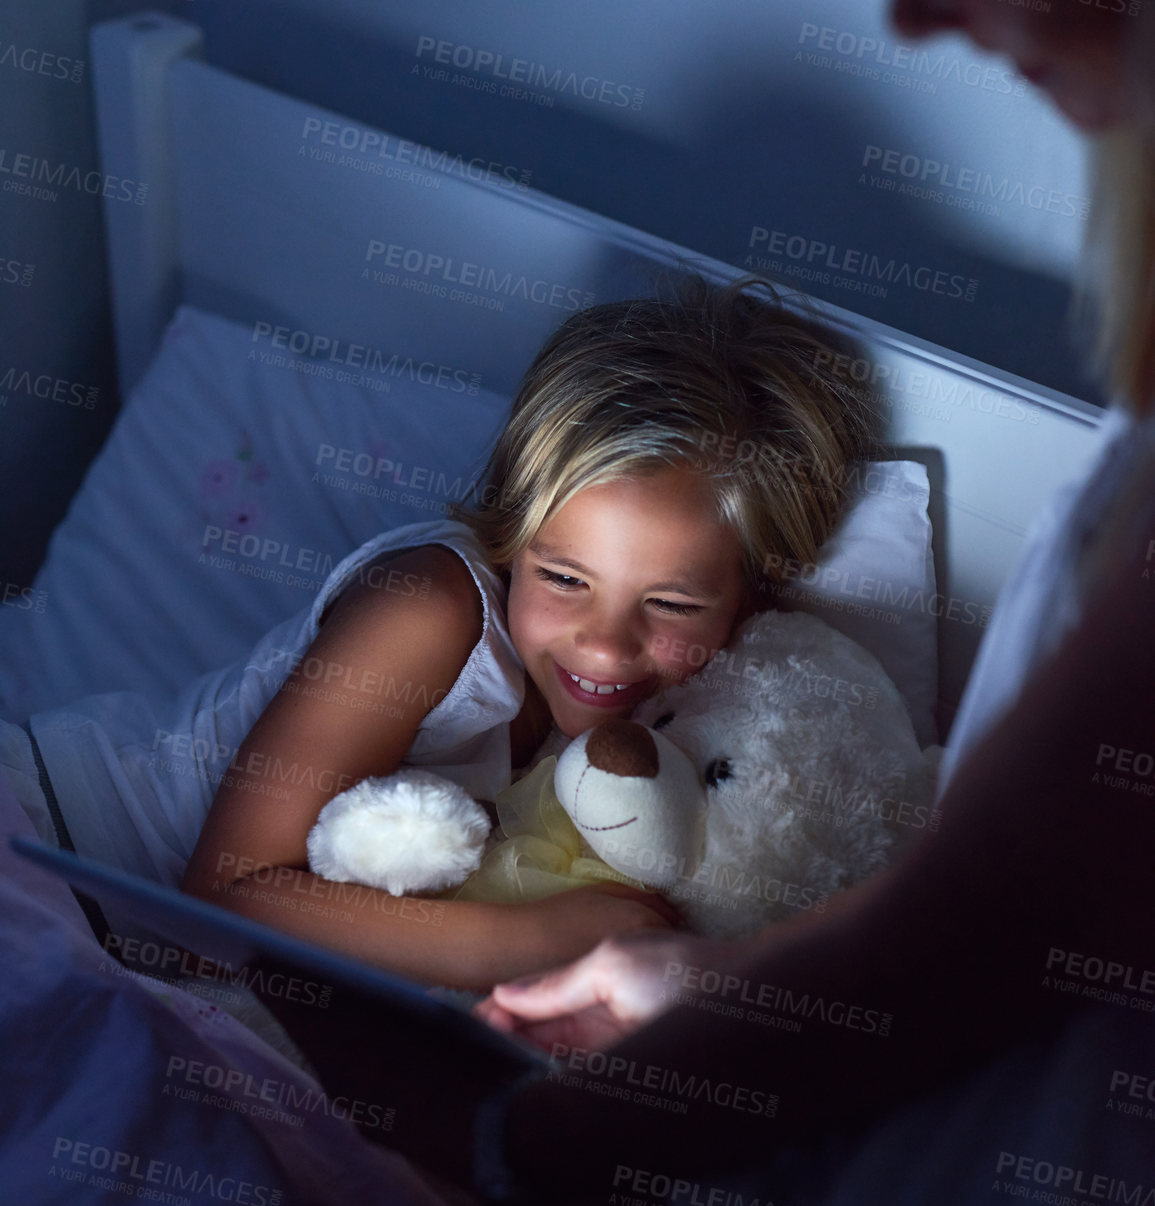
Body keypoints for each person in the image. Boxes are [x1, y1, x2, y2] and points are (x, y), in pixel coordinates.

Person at [228, 0, 1155, 1206]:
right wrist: (651, 994)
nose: (915, 14)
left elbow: (975, 937)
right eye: (567, 579)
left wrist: (545, 1120)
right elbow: (233, 882)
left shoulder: (721, 729)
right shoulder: (434, 600)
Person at [4, 275, 875, 992]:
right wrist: (521, 941)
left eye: (673, 604)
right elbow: (221, 904)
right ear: (514, 538)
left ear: (749, 603)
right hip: (50, 839)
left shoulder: (687, 727)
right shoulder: (428, 609)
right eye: (564, 579)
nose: (605, 647)